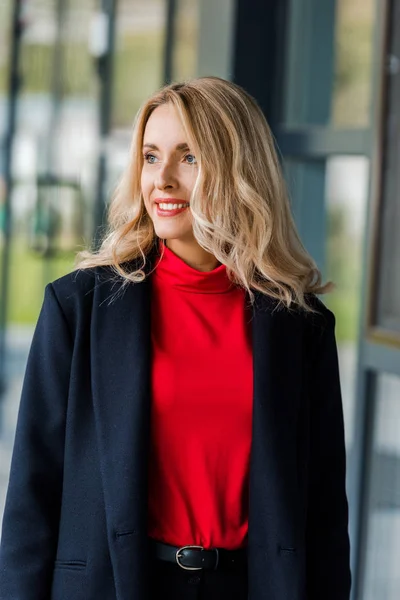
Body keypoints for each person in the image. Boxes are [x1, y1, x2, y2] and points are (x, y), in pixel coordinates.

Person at [0, 76, 351, 600]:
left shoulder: (301, 327)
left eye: (189, 158)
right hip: (112, 584)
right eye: (150, 156)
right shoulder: (77, 308)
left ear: (238, 170)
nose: (161, 179)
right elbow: (32, 498)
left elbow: (323, 515)